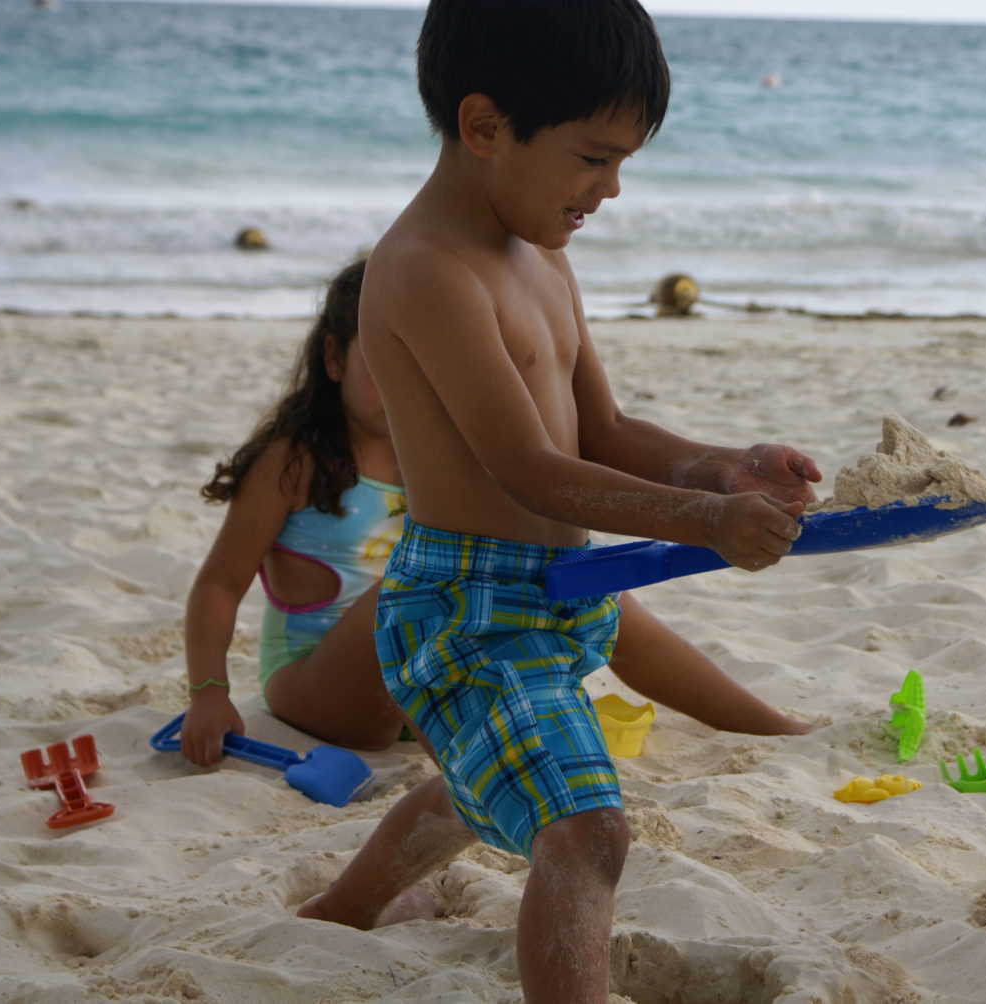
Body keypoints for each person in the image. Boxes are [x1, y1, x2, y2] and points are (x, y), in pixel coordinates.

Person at [297, 3, 822, 1001]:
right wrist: (704, 526)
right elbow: (525, 466)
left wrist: (719, 467)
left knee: (482, 782)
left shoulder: (543, 257)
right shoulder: (425, 272)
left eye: (624, 161)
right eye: (594, 157)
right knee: (586, 827)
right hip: (464, 610)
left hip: (556, 592)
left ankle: (349, 904)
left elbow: (607, 435)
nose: (612, 188)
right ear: (485, 126)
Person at [181, 257, 811, 767]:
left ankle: (771, 727)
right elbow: (219, 583)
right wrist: (209, 694)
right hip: (325, 688)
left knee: (593, 586)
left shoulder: (439, 454)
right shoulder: (295, 461)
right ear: (335, 360)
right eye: (387, 366)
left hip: (427, 671)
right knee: (402, 591)